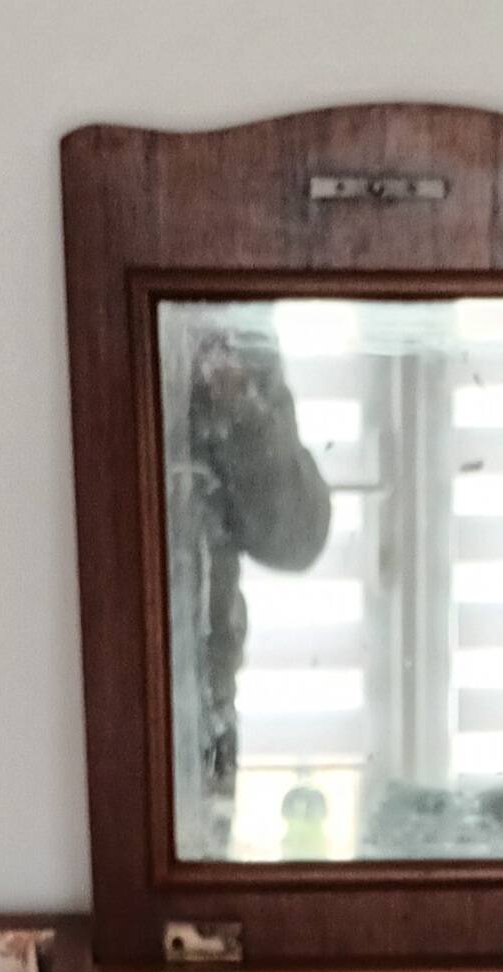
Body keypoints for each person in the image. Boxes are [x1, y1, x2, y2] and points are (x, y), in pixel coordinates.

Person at [168, 321, 331, 855]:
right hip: (93, 675)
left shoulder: (238, 324)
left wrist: (240, 405)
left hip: (203, 707)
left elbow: (296, 535)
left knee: (195, 891)